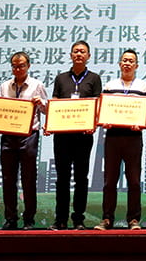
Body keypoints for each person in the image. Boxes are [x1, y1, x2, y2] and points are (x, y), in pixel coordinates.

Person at [49, 40, 103, 230]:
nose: (79, 54)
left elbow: (97, 103)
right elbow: (55, 101)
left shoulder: (94, 78)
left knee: (81, 178)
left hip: (83, 136)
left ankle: (78, 219)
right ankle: (61, 219)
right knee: (62, 178)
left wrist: (93, 124)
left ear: (88, 56)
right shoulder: (61, 78)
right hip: (62, 136)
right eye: (76, 51)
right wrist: (51, 122)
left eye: (82, 52)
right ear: (71, 55)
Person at [95, 49, 146, 231]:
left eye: (131, 61)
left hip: (133, 137)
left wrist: (140, 123)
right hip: (113, 137)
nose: (127, 64)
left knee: (134, 180)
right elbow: (103, 110)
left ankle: (133, 220)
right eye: (124, 60)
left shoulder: (142, 86)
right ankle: (107, 219)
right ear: (120, 64)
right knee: (110, 180)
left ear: (136, 65)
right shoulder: (110, 85)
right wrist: (104, 121)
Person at [0, 51, 48, 230]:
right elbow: (0, 110)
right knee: (8, 179)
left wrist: (41, 102)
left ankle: (29, 219)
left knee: (28, 179)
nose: (18, 69)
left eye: (22, 66)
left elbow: (47, 110)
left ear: (28, 66)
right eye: (15, 66)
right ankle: (10, 219)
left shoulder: (37, 85)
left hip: (29, 136)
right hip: (8, 136)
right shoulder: (5, 86)